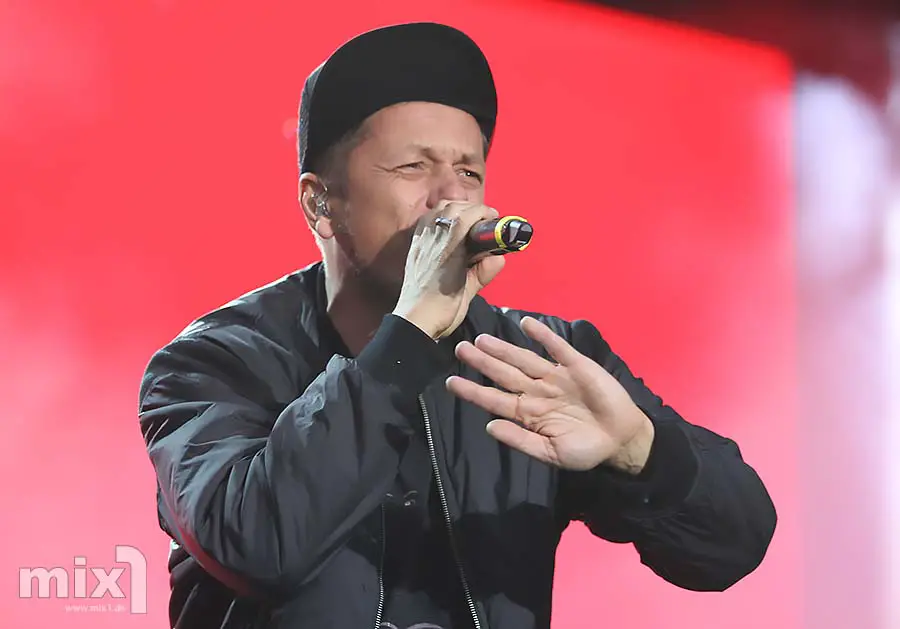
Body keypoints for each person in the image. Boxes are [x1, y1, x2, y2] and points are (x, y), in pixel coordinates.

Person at [138, 22, 777, 629]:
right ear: (320, 202)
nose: (452, 197)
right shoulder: (215, 363)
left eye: (469, 171)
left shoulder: (538, 361)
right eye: (412, 168)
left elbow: (734, 545)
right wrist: (410, 333)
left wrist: (641, 452)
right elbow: (257, 543)